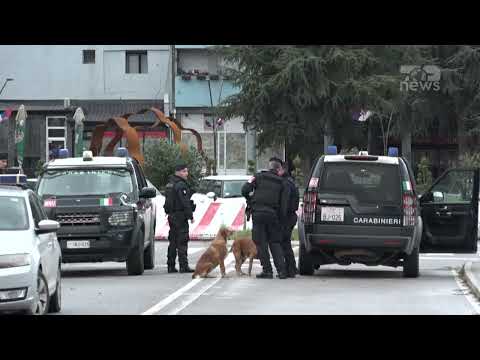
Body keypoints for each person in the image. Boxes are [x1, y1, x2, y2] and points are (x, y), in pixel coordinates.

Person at [242, 158, 289, 279]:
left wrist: (250, 199)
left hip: (258, 214)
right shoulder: (282, 182)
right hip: (273, 215)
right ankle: (282, 271)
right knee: (275, 242)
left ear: (269, 168)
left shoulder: (258, 177)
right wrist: (282, 221)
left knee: (261, 243)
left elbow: (244, 190)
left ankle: (267, 271)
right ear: (278, 169)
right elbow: (283, 205)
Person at [164, 163, 196, 273]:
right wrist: (190, 216)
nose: (186, 174)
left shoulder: (170, 184)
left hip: (172, 216)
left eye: (186, 171)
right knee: (182, 241)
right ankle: (183, 266)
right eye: (184, 171)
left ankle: (170, 265)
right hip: (180, 216)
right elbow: (185, 202)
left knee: (173, 241)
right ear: (178, 172)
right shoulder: (181, 185)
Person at [277, 159, 299, 278]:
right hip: (291, 216)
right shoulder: (291, 181)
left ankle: (289, 269)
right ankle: (292, 268)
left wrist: (281, 217)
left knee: (283, 243)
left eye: (278, 169)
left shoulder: (285, 183)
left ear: (282, 169)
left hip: (286, 217)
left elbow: (284, 202)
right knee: (286, 243)